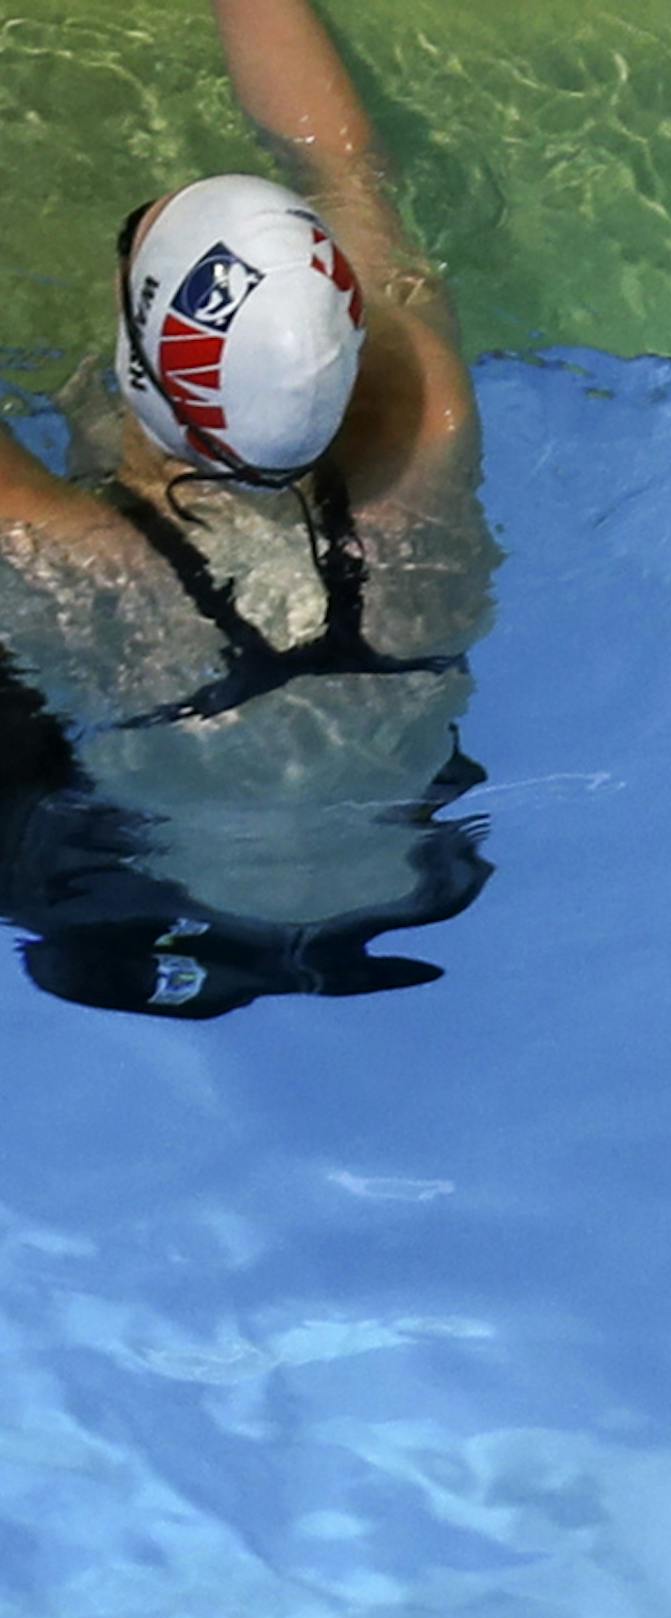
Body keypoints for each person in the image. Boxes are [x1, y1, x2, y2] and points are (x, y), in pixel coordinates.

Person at [0, 0, 494, 1012]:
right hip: (401, 871)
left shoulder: (64, 559)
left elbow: (345, 173)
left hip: (144, 890)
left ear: (135, 372)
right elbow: (347, 169)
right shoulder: (430, 421)